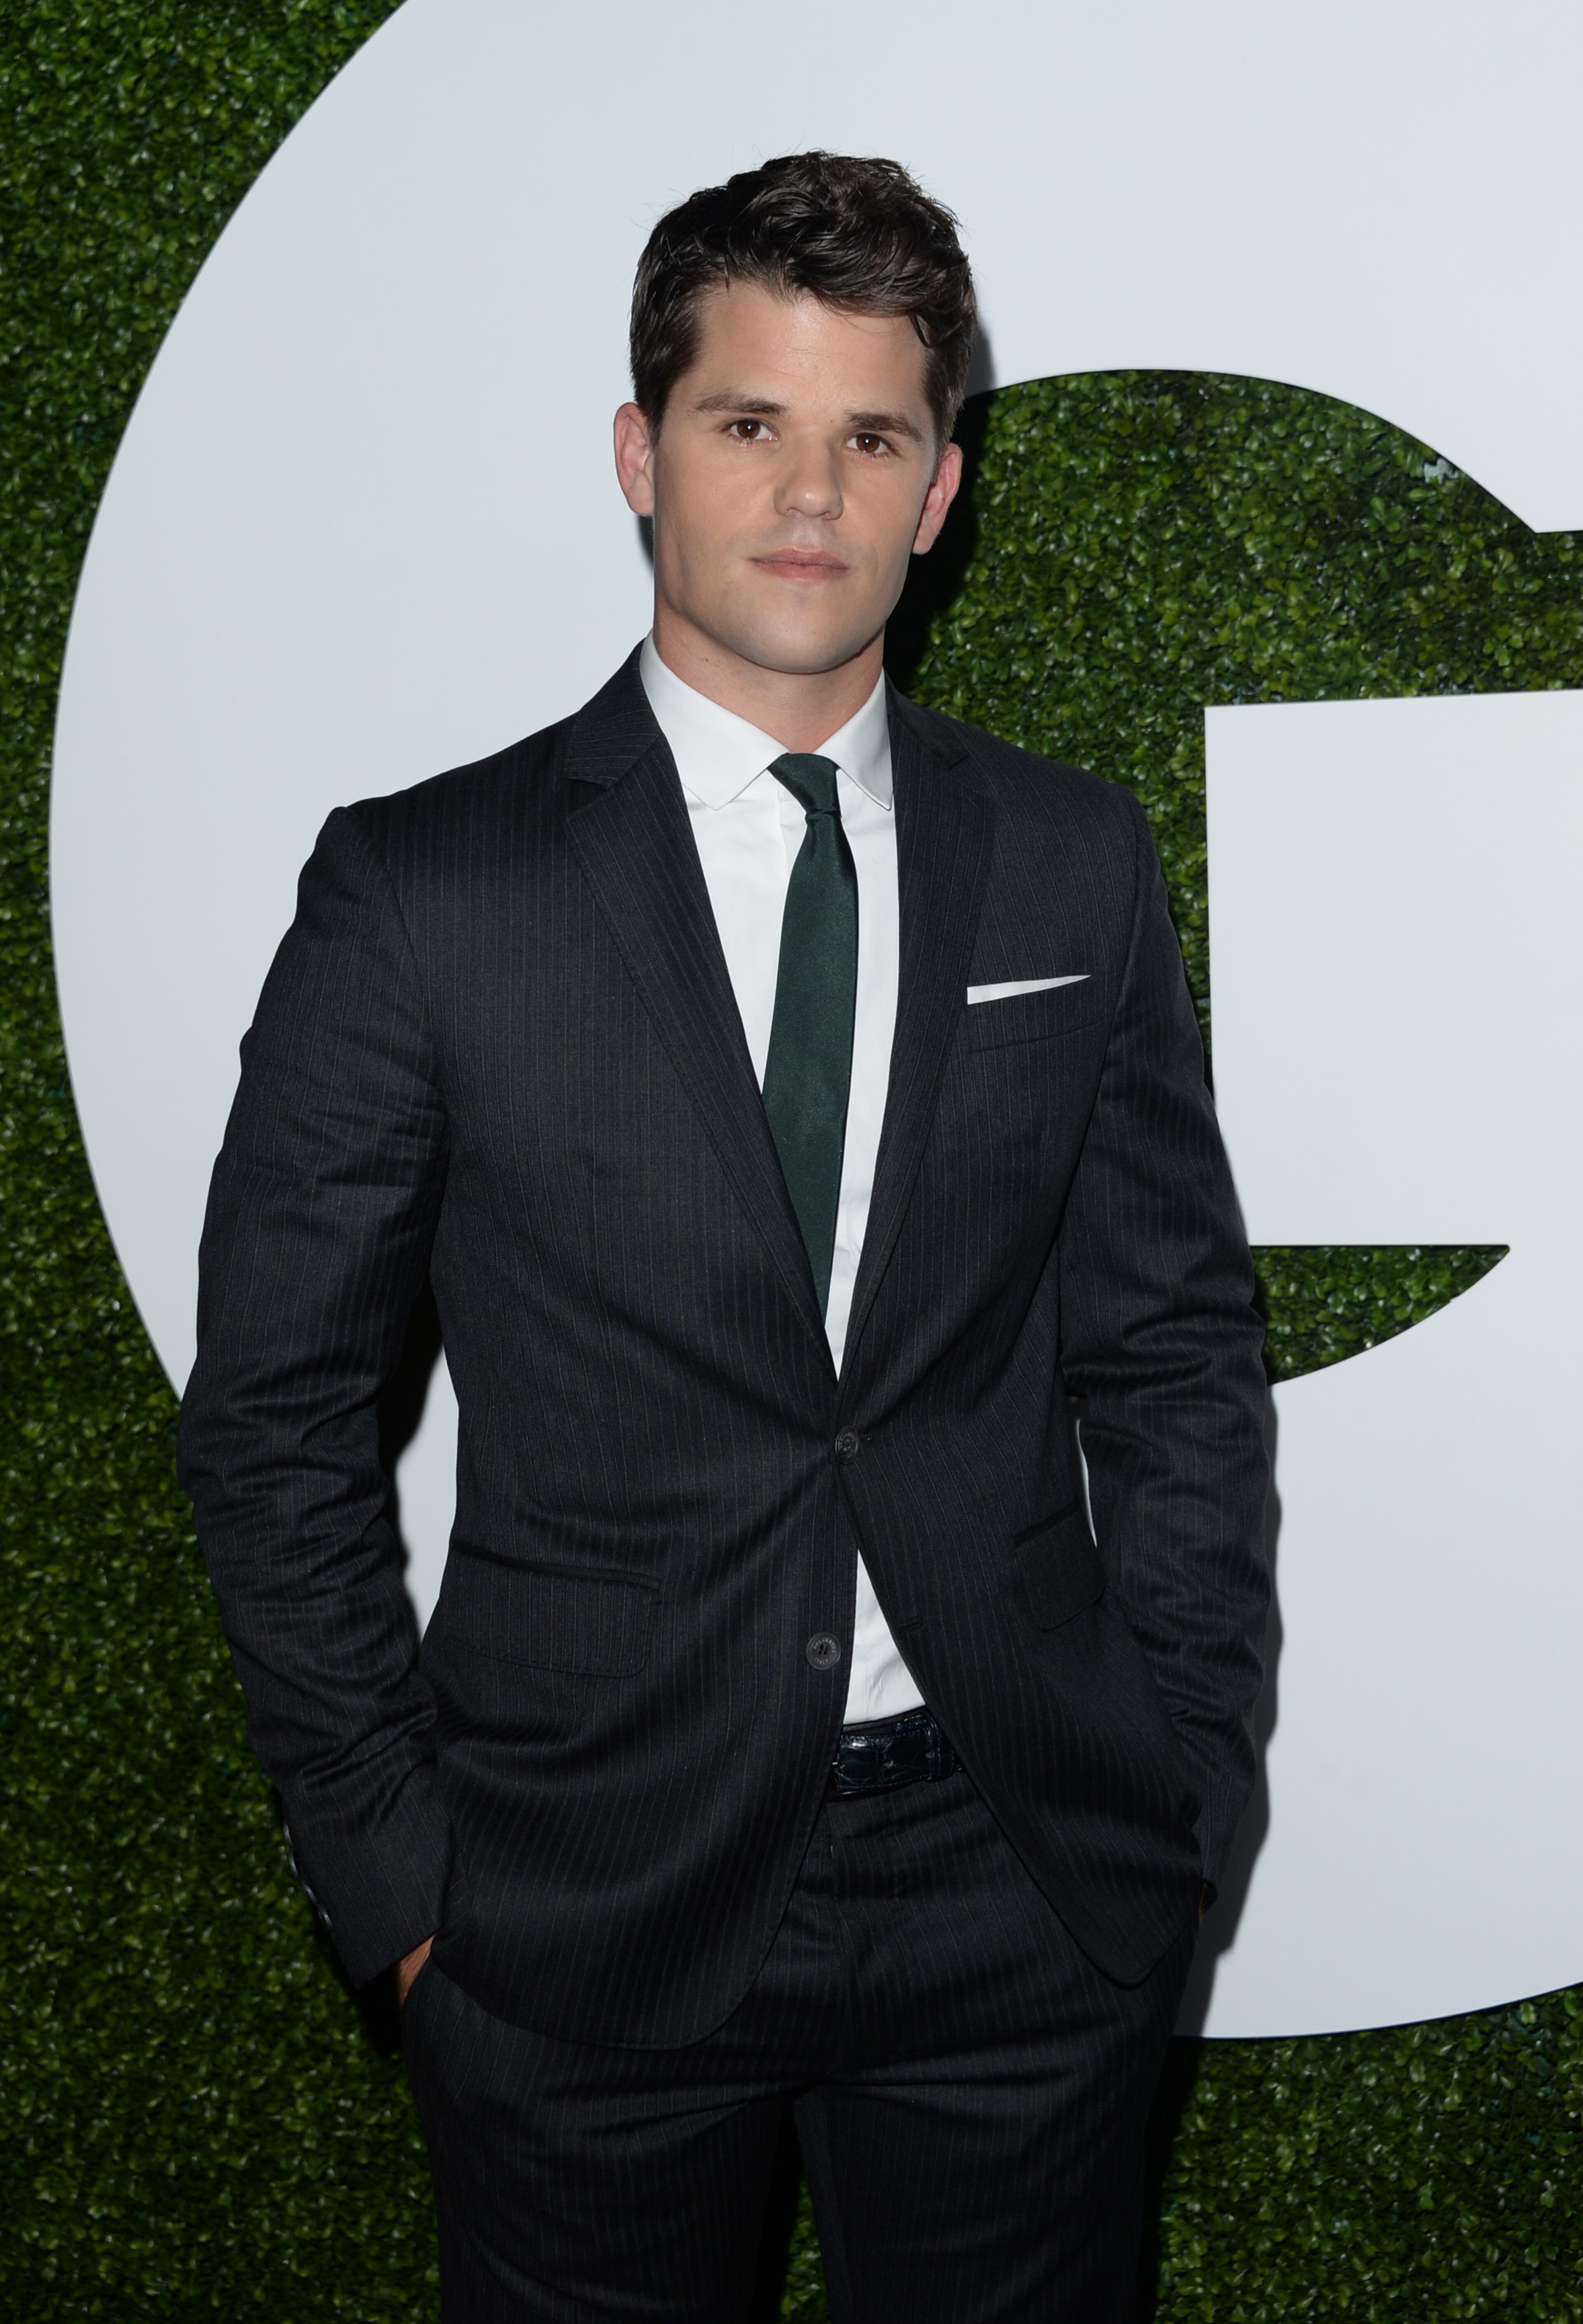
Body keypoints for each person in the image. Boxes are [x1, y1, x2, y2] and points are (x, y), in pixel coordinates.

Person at [179, 151, 1269, 2323]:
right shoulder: (428, 892)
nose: (809, 490)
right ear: (639, 454)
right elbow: (280, 1415)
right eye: (747, 422)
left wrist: (1176, 1793)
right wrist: (402, 1886)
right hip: (578, 1911)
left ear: (941, 487)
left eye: (871, 435)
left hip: (1021, 1888)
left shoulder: (1073, 864)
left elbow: (1168, 1357)